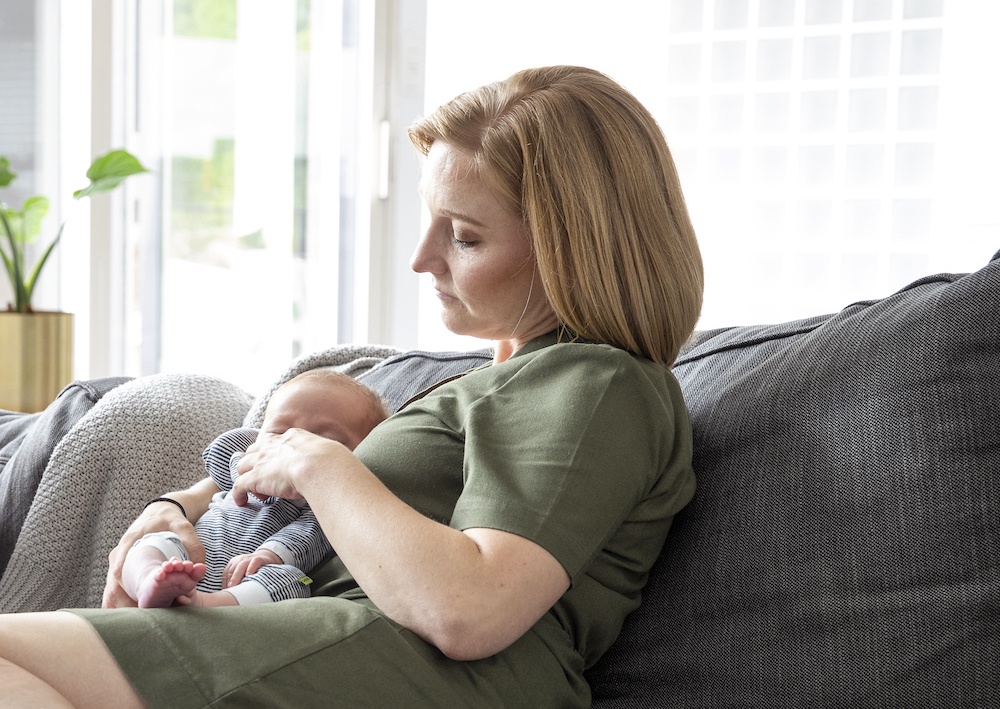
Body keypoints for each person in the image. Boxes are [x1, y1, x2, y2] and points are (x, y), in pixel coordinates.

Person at [0, 65, 704, 708]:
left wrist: (316, 459)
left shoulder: (597, 380)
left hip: (419, 668)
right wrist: (175, 507)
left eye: (462, 235)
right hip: (325, 636)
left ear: (568, 248)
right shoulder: (492, 381)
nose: (420, 256)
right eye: (430, 220)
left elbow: (470, 605)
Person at [121, 369, 388, 609]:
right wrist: (253, 445)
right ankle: (150, 580)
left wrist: (268, 555)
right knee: (154, 542)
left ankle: (206, 604)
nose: (291, 444)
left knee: (292, 583)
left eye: (323, 439)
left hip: (248, 578)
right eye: (279, 431)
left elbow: (311, 535)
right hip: (191, 555)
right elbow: (218, 456)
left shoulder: (326, 503)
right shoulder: (247, 467)